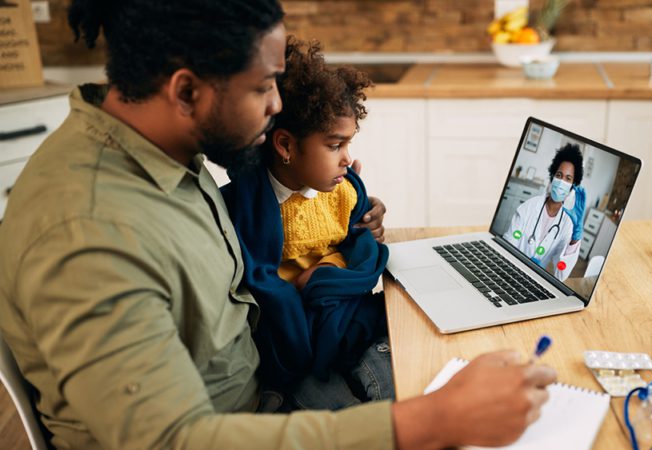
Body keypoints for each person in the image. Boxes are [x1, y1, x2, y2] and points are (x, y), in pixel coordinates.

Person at [0, 1, 556, 449]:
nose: (276, 105)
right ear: (187, 91)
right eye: (265, 86)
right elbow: (177, 439)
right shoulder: (89, 233)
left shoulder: (162, 153)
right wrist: (432, 421)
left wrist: (328, 197)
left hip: (268, 390)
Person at [221, 37, 393, 410]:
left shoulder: (342, 191)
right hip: (291, 332)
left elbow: (361, 245)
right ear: (285, 146)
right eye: (335, 146)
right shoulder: (247, 205)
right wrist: (302, 290)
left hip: (340, 313)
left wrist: (327, 271)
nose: (347, 159)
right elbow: (259, 286)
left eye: (349, 145)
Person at [504, 144, 586, 281]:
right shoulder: (530, 206)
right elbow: (508, 243)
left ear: (573, 186)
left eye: (568, 178)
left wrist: (575, 238)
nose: (561, 182)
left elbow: (561, 274)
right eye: (559, 175)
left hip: (536, 280)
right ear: (552, 176)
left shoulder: (567, 224)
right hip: (510, 269)